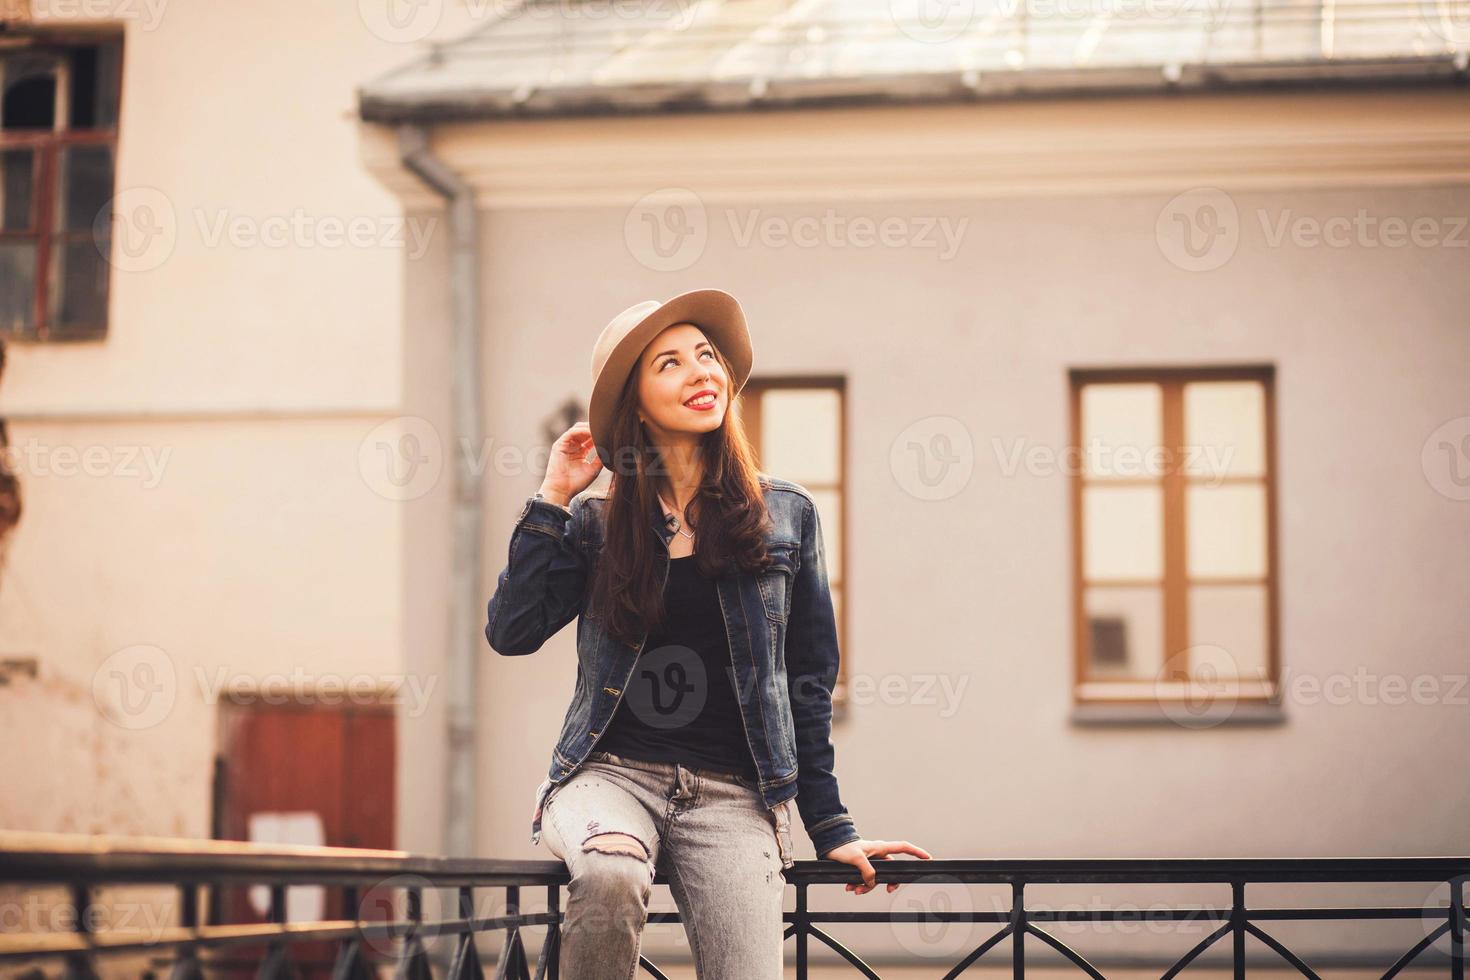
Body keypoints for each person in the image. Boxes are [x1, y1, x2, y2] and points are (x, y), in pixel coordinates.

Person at [484, 288, 931, 979]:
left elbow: (808, 681)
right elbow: (511, 631)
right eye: (670, 363)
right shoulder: (598, 525)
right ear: (634, 403)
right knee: (609, 876)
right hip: (610, 778)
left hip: (734, 796)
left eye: (707, 356)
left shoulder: (786, 515)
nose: (701, 373)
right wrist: (553, 497)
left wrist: (831, 826)